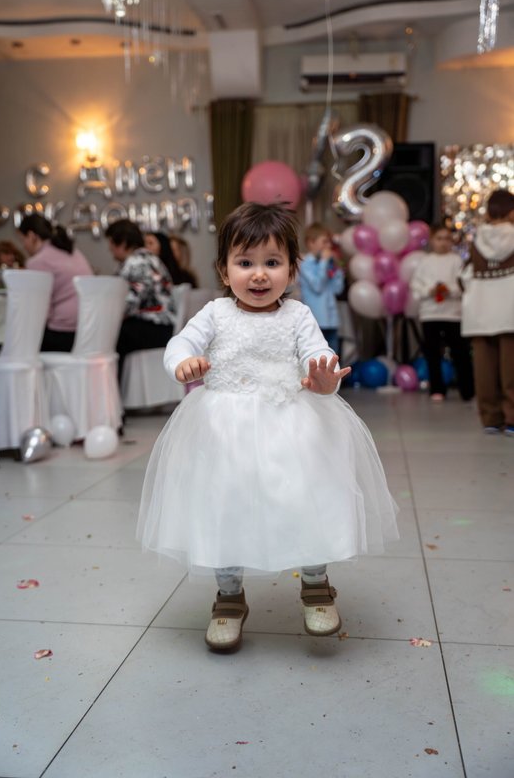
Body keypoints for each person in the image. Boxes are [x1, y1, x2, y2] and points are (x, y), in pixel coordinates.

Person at [137, 202, 399, 653]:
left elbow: (318, 354)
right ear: (224, 270)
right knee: (224, 506)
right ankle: (228, 596)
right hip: (224, 430)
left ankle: (316, 585)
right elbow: (180, 342)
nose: (259, 275)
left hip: (290, 426)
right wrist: (183, 362)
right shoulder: (215, 313)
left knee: (306, 501)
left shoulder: (297, 316)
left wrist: (325, 377)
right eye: (245, 263)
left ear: (292, 270)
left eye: (272, 263)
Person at [461, 189, 514, 435]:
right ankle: (512, 419)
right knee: (511, 370)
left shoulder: (476, 240)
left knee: (484, 370)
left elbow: (464, 276)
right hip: (510, 310)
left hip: (479, 311)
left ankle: (491, 418)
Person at [410, 224, 474, 402]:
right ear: (431, 240)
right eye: (439, 239)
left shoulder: (456, 260)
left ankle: (467, 390)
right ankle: (437, 388)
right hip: (430, 314)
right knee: (432, 354)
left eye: (447, 239)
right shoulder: (425, 261)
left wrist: (449, 290)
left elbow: (465, 284)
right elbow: (416, 285)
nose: (443, 243)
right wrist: (430, 290)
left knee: (460, 352)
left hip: (453, 314)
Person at [106, 219, 176, 380]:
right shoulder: (150, 258)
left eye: (111, 243)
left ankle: (113, 388)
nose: (110, 249)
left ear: (123, 243)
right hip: (163, 326)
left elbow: (127, 304)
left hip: (155, 327)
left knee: (111, 336)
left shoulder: (136, 263)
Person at [19, 214, 93, 352]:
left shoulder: (38, 261)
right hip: (88, 330)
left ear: (31, 236)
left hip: (64, 334)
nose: (23, 246)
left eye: (23, 239)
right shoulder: (74, 252)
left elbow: (39, 311)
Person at [298, 222, 345, 353]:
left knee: (334, 359)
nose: (328, 246)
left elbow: (338, 289)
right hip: (316, 321)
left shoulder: (328, 264)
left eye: (329, 242)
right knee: (317, 357)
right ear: (311, 243)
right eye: (324, 242)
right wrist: (324, 262)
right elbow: (317, 286)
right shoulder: (306, 265)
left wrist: (338, 268)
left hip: (331, 320)